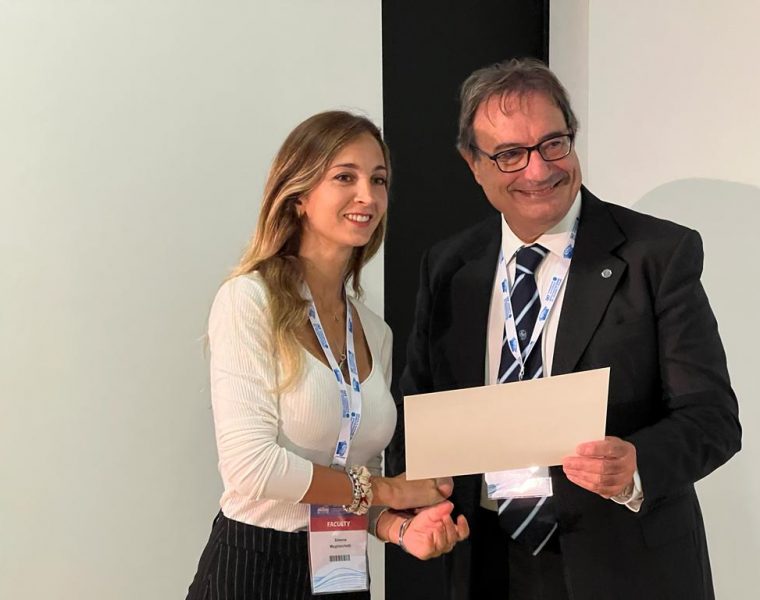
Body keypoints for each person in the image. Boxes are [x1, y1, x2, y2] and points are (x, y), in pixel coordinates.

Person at [387, 58, 741, 600]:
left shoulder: (657, 254)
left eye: (553, 144)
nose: (538, 171)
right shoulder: (450, 266)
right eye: (510, 154)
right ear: (473, 163)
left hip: (627, 569)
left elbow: (713, 419)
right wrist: (413, 505)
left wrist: (636, 464)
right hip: (485, 564)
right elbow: (416, 410)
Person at [186, 111, 469, 600]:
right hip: (253, 568)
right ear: (298, 195)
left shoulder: (375, 331)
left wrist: (399, 528)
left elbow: (360, 473)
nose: (368, 196)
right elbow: (251, 467)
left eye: (378, 180)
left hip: (341, 570)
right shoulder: (248, 301)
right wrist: (389, 491)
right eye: (345, 177)